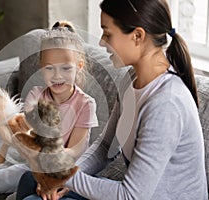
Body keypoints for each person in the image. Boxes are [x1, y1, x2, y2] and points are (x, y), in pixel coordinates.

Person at [16, 0, 208, 199]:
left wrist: (65, 176)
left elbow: (130, 195)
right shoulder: (131, 79)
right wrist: (66, 176)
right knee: (30, 179)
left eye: (107, 33)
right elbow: (106, 147)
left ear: (137, 36)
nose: (101, 42)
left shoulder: (166, 104)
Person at [0, 21, 99, 200]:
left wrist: (48, 177)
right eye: (49, 68)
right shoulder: (36, 95)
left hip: (65, 173)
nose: (57, 76)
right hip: (31, 165)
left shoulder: (86, 104)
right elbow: (26, 134)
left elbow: (74, 152)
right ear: (41, 66)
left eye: (65, 68)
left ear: (79, 66)